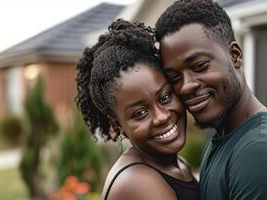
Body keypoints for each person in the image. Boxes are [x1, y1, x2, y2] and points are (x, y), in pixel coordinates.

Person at [154, 0, 267, 199]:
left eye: (200, 65)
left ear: (235, 56)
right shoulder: (224, 139)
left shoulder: (260, 153)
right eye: (175, 78)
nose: (185, 86)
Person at [75, 19, 199, 200]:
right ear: (117, 124)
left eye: (165, 98)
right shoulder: (137, 182)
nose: (161, 117)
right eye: (139, 113)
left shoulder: (177, 164)